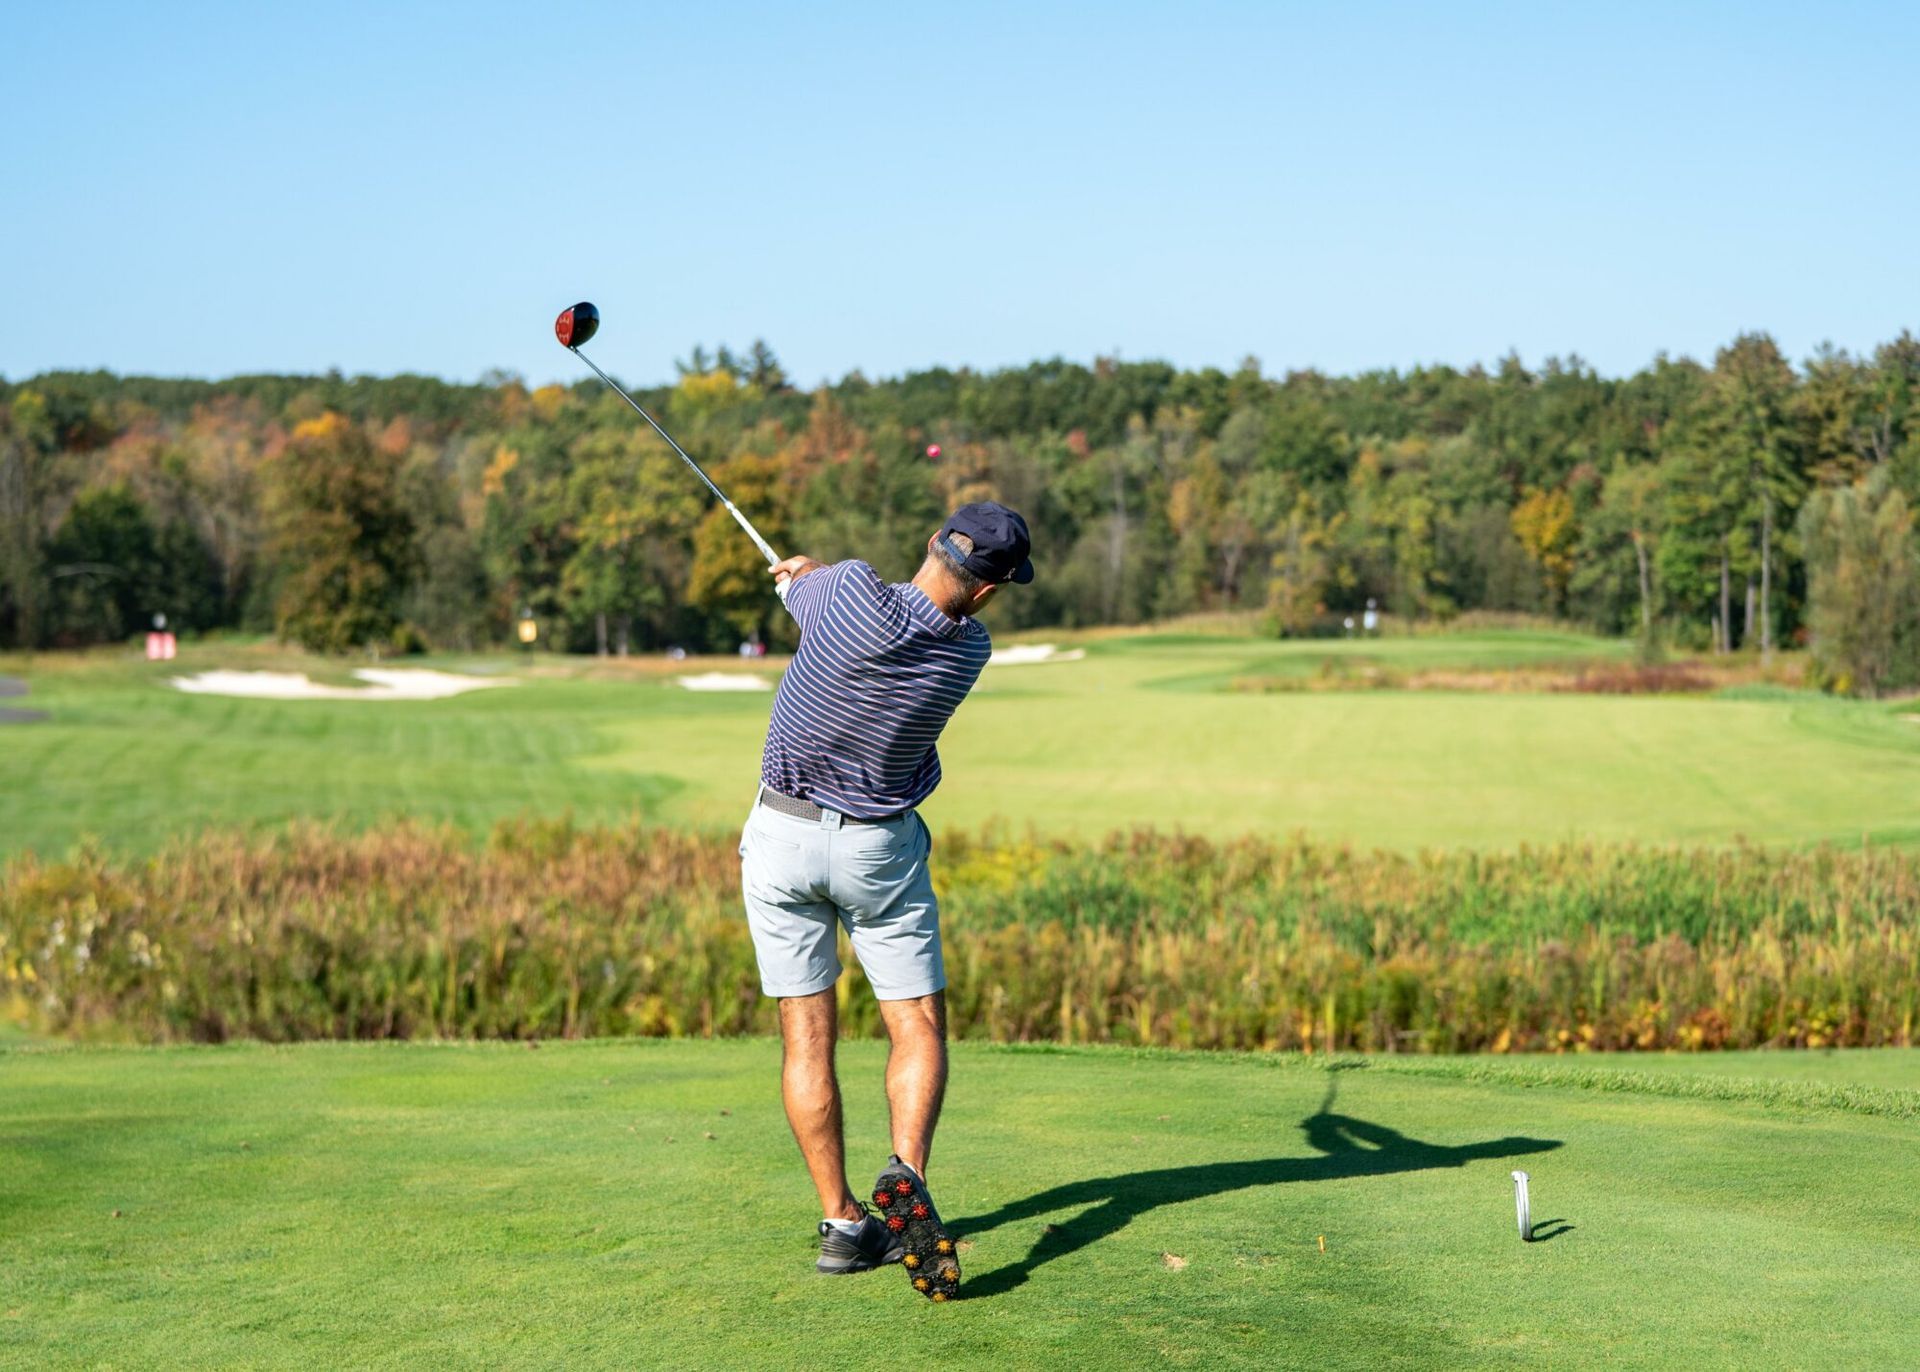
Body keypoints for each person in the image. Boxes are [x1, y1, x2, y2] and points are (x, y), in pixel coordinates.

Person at [741, 501, 1033, 1303]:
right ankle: (906, 1182)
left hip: (782, 836)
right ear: (987, 593)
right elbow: (842, 600)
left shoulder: (847, 591)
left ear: (930, 543)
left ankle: (841, 1225)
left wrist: (801, 574)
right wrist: (812, 580)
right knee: (917, 1023)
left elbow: (809, 590)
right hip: (877, 849)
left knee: (807, 1036)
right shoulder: (968, 649)